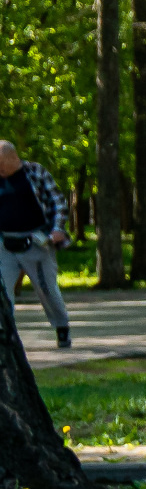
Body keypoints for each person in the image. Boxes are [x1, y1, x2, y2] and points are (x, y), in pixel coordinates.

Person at [0, 142, 71, 349]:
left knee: (46, 289)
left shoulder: (35, 172)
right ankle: (5, 333)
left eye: (2, 166)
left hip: (36, 241)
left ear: (14, 159)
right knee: (3, 290)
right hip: (5, 242)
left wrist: (58, 229)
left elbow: (58, 202)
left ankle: (61, 327)